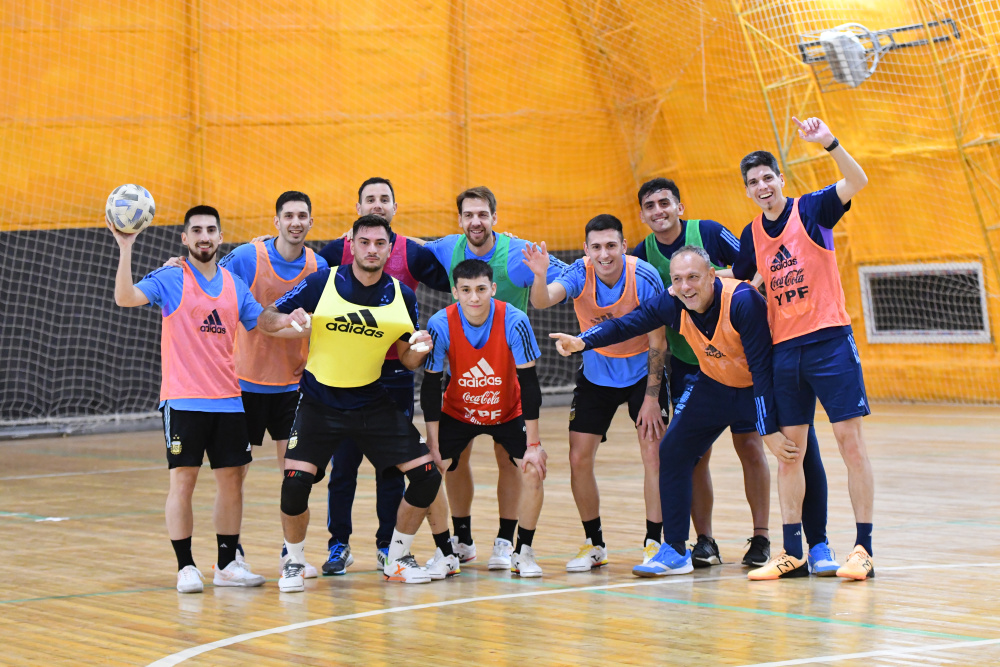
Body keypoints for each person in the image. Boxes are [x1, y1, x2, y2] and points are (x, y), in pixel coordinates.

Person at [551, 246, 797, 576]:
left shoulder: (743, 301)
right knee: (673, 450)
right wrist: (583, 341)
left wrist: (767, 428)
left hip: (758, 388)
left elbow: (763, 370)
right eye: (678, 279)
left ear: (712, 276)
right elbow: (628, 324)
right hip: (716, 386)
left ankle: (811, 545)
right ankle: (676, 549)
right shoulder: (672, 302)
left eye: (693, 277)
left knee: (797, 455)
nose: (685, 287)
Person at [631, 178, 832, 571]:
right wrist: (588, 343)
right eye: (650, 206)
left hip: (752, 354)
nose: (658, 211)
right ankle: (698, 543)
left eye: (664, 203)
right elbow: (647, 322)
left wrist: (726, 284)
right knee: (688, 453)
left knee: (761, 447)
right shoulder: (642, 256)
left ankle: (771, 539)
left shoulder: (706, 233)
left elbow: (753, 263)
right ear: (642, 214)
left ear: (679, 206)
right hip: (699, 366)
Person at [108, 205, 299, 593]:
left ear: (220, 235)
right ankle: (185, 567)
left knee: (232, 483)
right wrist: (126, 247)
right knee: (184, 481)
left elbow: (262, 322)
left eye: (210, 229)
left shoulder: (232, 283)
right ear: (185, 238)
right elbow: (125, 298)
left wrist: (294, 320)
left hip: (229, 400)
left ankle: (227, 564)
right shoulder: (171, 276)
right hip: (183, 401)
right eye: (196, 230)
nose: (204, 236)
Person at [258, 215, 440, 589]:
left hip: (371, 402)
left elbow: (406, 357)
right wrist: (286, 321)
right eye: (365, 242)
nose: (372, 249)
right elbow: (265, 318)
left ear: (389, 249)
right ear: (352, 244)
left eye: (379, 243)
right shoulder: (322, 282)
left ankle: (397, 557)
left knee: (426, 477)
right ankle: (294, 562)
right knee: (294, 483)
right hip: (318, 402)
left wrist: (420, 350)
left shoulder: (402, 296)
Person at [732, 116, 874, 581]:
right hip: (785, 353)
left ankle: (863, 550)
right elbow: (746, 283)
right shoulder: (751, 234)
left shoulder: (811, 209)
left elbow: (858, 179)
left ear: (780, 178)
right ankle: (792, 552)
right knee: (789, 451)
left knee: (850, 444)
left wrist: (829, 142)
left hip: (830, 342)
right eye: (753, 182)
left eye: (768, 177)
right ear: (748, 190)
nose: (762, 186)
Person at [421, 186, 566, 570]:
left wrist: (534, 441)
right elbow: (411, 246)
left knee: (517, 463)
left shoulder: (518, 259)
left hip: (507, 391)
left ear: (494, 217)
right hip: (463, 397)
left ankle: (509, 542)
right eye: (469, 215)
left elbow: (555, 282)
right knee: (444, 463)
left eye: (482, 214)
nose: (476, 221)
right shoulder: (448, 256)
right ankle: (460, 540)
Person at [316, 177, 450, 576]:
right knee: (343, 465)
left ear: (395, 207)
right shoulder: (334, 251)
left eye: (384, 199)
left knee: (392, 466)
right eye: (370, 199)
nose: (377, 204)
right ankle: (339, 543)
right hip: (344, 371)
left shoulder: (409, 251)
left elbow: (456, 278)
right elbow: (301, 283)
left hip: (394, 372)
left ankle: (386, 544)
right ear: (357, 208)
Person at [523, 214, 669, 571]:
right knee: (578, 457)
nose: (605, 254)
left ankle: (654, 541)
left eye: (612, 246)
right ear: (586, 249)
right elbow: (543, 302)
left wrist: (652, 398)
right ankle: (594, 543)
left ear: (623, 246)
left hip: (640, 371)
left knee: (653, 455)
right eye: (597, 247)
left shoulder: (643, 277)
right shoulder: (578, 272)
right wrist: (540, 275)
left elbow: (658, 342)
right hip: (597, 371)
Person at [214, 191, 329, 579]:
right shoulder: (249, 257)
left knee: (295, 473)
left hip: (292, 387)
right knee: (234, 474)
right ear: (276, 221)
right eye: (289, 216)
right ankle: (229, 555)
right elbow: (211, 277)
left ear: (311, 223)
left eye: (303, 216)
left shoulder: (320, 267)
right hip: (243, 383)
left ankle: (291, 555)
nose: (296, 222)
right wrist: (178, 268)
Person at [420, 259, 548, 578]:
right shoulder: (440, 323)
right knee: (431, 467)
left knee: (530, 468)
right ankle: (454, 546)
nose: (474, 298)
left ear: (492, 288)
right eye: (466, 290)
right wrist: (433, 444)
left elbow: (530, 385)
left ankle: (515, 547)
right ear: (455, 292)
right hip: (458, 411)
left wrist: (534, 443)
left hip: (508, 410)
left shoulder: (514, 320)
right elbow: (431, 386)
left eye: (480, 289)